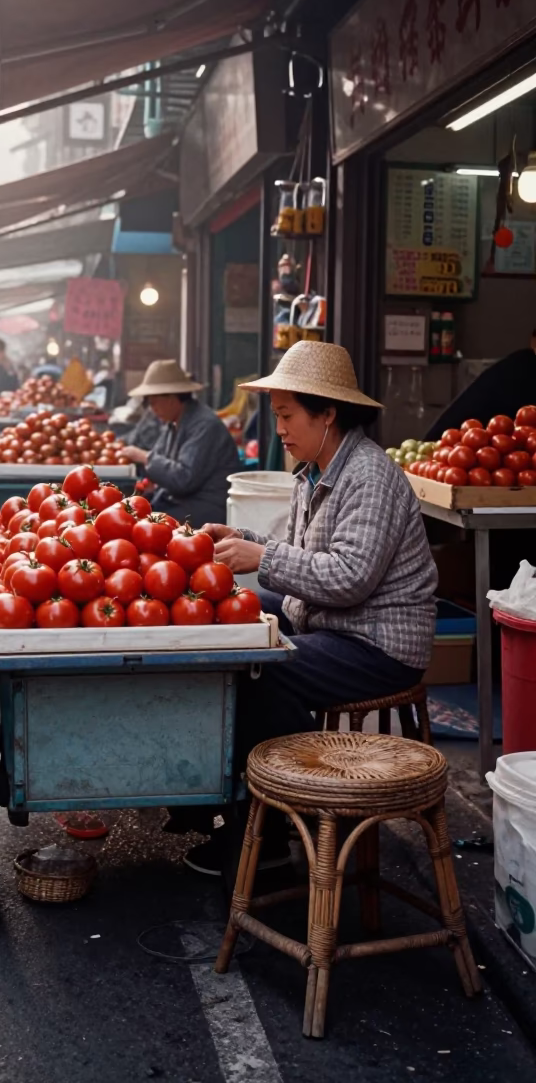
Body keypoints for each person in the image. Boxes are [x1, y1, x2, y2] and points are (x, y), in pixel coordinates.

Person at [173, 341, 438, 875]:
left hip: (377, 641)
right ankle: (232, 797)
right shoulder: (312, 472)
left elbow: (348, 578)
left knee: (262, 667)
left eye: (288, 415)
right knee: (236, 611)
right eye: (277, 416)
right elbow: (299, 560)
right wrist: (239, 540)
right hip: (332, 620)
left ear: (328, 413)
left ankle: (288, 820)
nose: (280, 430)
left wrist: (261, 556)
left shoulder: (369, 475)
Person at [121, 359, 239, 526]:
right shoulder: (174, 423)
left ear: (171, 398)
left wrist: (145, 458)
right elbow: (163, 461)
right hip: (182, 502)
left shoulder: (204, 425)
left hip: (205, 508)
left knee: (143, 526)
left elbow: (184, 479)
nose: (152, 409)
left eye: (153, 402)